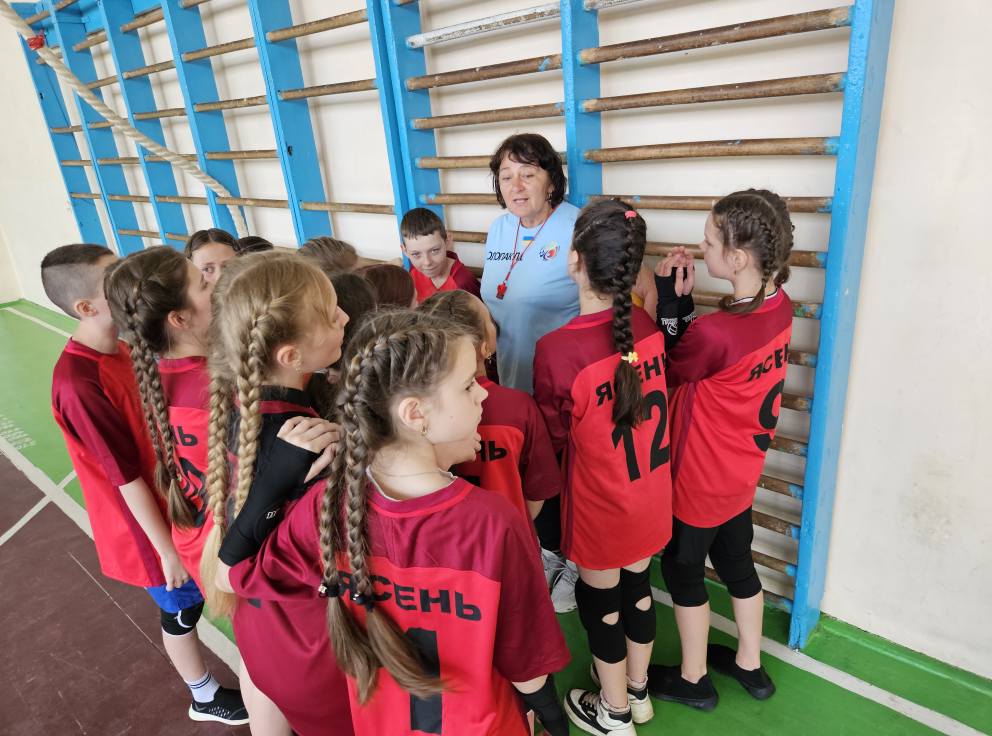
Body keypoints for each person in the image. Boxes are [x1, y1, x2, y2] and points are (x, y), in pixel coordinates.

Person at [224, 310, 572, 736]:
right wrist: (553, 719)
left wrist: (269, 489)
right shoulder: (492, 522)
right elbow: (527, 666)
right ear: (415, 413)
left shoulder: (326, 505)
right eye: (468, 385)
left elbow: (233, 575)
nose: (482, 392)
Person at [41, 243, 247, 726]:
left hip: (177, 502)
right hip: (144, 527)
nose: (127, 284)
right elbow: (125, 477)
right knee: (181, 611)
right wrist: (166, 551)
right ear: (86, 308)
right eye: (112, 281)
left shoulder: (125, 347)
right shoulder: (77, 381)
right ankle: (202, 693)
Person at [647, 189, 795, 712]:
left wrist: (669, 302)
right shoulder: (780, 306)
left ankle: (694, 679)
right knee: (737, 564)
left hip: (699, 479)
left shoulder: (717, 332)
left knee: (683, 573)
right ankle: (751, 664)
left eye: (709, 243)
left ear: (736, 259)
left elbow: (672, 367)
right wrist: (685, 305)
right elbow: (712, 358)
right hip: (740, 475)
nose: (701, 249)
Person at [533, 200, 673, 735]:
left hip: (602, 505)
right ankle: (637, 690)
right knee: (638, 587)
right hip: (651, 495)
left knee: (600, 604)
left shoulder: (558, 350)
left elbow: (554, 440)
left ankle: (613, 711)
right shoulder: (646, 326)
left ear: (574, 260)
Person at [201, 252, 352, 735]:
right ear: (290, 356)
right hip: (309, 636)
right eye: (331, 315)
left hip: (262, 627)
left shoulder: (238, 404)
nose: (345, 317)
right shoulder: (307, 443)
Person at [481, 132, 582, 609]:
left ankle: (577, 561)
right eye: (506, 176)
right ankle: (549, 551)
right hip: (513, 380)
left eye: (528, 173)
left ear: (551, 180)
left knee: (570, 476)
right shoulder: (500, 228)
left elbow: (623, 289)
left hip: (564, 384)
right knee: (535, 474)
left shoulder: (576, 226)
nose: (516, 186)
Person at [418, 290, 560, 526]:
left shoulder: (418, 414)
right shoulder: (519, 407)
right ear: (484, 347)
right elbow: (538, 491)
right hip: (508, 531)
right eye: (490, 320)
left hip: (446, 532)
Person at [400, 207, 480, 302]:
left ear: (447, 241)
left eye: (434, 250)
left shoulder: (462, 282)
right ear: (405, 251)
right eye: (416, 254)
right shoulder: (413, 273)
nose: (427, 262)